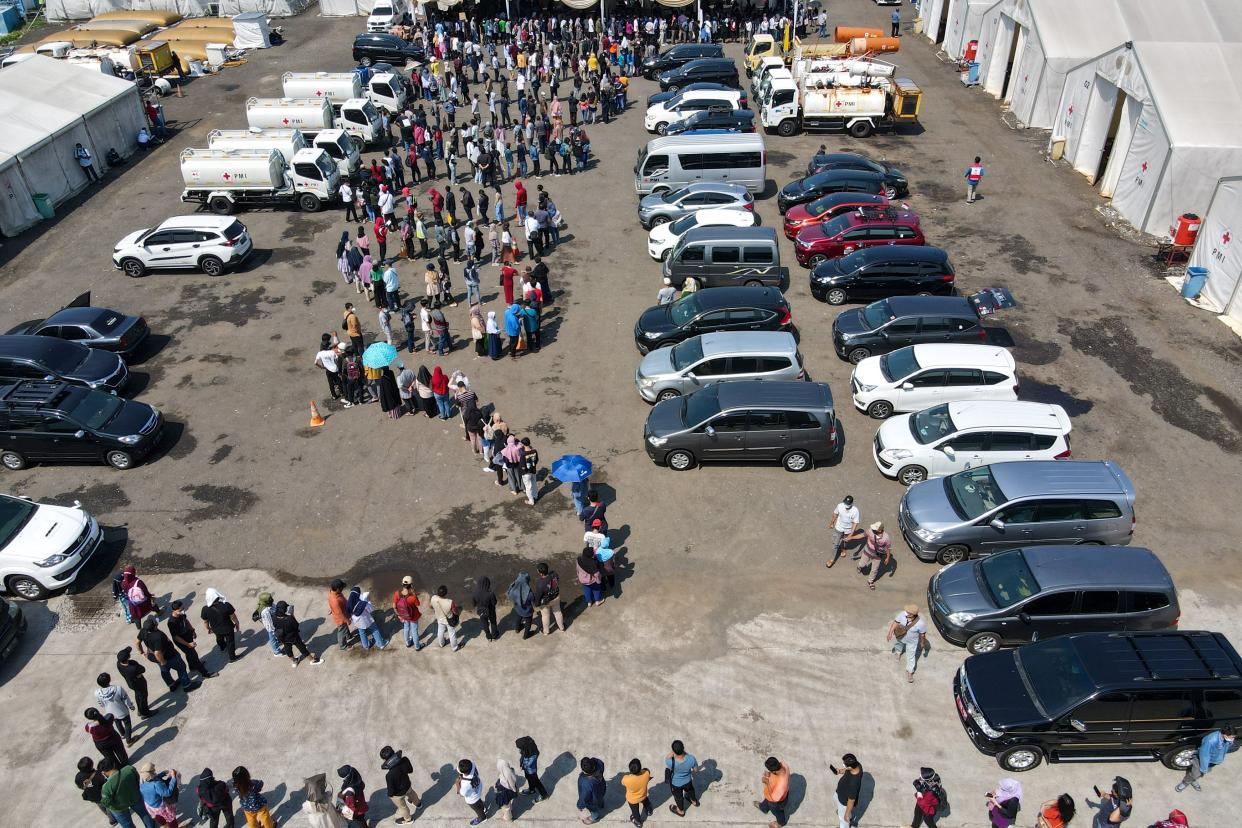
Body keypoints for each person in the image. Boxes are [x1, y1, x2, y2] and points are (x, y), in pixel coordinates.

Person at [137, 617, 192, 692]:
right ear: (154, 627)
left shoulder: (143, 631)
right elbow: (157, 652)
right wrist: (163, 662)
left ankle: (172, 685)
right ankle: (187, 685)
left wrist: (141, 652)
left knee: (165, 671)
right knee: (181, 668)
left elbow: (137, 642)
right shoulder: (158, 636)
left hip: (155, 658)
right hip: (169, 656)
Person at [99, 759, 157, 828]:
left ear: (103, 772)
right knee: (144, 814)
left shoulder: (106, 787)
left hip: (120, 807)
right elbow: (137, 779)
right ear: (114, 765)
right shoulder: (129, 769)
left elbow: (106, 802)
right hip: (135, 797)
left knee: (127, 824)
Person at [1177, 725, 1235, 791]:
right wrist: (1204, 768)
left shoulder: (1228, 739)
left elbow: (1225, 748)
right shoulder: (1210, 740)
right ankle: (1185, 783)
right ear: (1224, 735)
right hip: (1202, 760)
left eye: (1233, 737)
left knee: (1199, 774)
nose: (1232, 739)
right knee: (1195, 773)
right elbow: (1204, 755)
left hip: (1213, 761)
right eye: (1232, 737)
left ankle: (1193, 780)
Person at [380, 746, 422, 825]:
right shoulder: (405, 760)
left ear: (385, 760)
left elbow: (391, 790)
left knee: (402, 807)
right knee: (412, 794)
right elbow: (410, 770)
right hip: (407, 785)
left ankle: (408, 820)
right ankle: (418, 804)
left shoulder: (389, 775)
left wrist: (390, 795)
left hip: (398, 794)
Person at [273, 601, 322, 666]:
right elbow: (296, 625)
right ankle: (312, 660)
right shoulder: (289, 618)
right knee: (302, 647)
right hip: (293, 637)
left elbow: (275, 625)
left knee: (288, 649)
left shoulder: (274, 617)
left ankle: (294, 661)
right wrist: (292, 615)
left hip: (283, 638)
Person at [888, 604, 928, 682]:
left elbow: (922, 634)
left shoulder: (920, 623)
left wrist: (922, 643)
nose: (905, 612)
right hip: (900, 636)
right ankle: (898, 653)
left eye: (908, 611)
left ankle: (910, 671)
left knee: (911, 657)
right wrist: (890, 632)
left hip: (912, 642)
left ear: (912, 614)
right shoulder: (902, 614)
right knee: (898, 645)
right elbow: (896, 622)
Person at [200, 588, 239, 664]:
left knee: (219, 638)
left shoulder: (205, 609)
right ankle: (232, 657)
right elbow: (233, 616)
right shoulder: (226, 605)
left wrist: (208, 628)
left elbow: (205, 621)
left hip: (215, 629)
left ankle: (222, 647)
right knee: (230, 642)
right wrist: (237, 623)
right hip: (227, 628)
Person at [95, 673, 136, 746]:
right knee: (127, 724)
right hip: (122, 711)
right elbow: (126, 698)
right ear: (109, 680)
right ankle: (129, 740)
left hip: (110, 713)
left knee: (117, 722)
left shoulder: (97, 693)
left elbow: (100, 703)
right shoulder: (118, 688)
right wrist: (131, 706)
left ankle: (123, 734)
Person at [137, 762, 180, 828]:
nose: (155, 771)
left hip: (150, 805)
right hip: (160, 806)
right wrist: (173, 778)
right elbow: (167, 793)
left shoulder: (142, 782)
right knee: (171, 818)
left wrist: (164, 773)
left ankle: (165, 825)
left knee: (158, 816)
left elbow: (153, 777)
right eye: (153, 771)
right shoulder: (156, 784)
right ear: (151, 773)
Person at [752, 756, 790, 828]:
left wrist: (767, 783)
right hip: (771, 796)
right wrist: (770, 774)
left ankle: (781, 822)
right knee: (767, 801)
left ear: (774, 771)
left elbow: (774, 798)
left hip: (777, 802)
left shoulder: (781, 784)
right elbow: (776, 773)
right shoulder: (783, 764)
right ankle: (764, 808)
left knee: (778, 812)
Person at [77, 755, 116, 826]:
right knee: (109, 807)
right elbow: (106, 783)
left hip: (91, 796)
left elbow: (80, 786)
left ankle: (106, 813)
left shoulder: (78, 776)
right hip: (102, 795)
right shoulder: (99, 774)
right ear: (91, 765)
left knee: (100, 805)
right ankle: (112, 820)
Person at [664, 741, 699, 817]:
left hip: (676, 784)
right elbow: (696, 770)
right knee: (690, 791)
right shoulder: (691, 758)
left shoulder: (670, 762)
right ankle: (694, 802)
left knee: (679, 797)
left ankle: (681, 811)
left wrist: (673, 751)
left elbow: (667, 757)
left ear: (674, 751)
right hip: (688, 781)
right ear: (683, 748)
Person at [115, 648, 151, 719]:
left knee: (138, 695)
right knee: (143, 696)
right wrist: (138, 674)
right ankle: (145, 712)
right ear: (127, 658)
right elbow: (143, 669)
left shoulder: (119, 663)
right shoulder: (133, 667)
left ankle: (140, 710)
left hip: (131, 684)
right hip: (139, 684)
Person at [825, 495, 860, 567]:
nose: (846, 505)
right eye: (846, 503)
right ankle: (832, 559)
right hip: (839, 528)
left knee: (845, 541)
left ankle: (843, 549)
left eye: (848, 504)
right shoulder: (840, 506)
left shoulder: (855, 510)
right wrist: (832, 523)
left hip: (848, 530)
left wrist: (851, 534)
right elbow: (835, 514)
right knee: (835, 544)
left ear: (852, 503)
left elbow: (855, 523)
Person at [119, 565, 155, 630]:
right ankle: (159, 612)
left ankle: (139, 628)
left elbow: (126, 592)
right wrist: (150, 596)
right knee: (151, 605)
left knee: (136, 616)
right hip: (143, 601)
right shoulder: (138, 582)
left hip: (133, 603)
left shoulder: (123, 583)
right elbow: (145, 592)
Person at [858, 521, 892, 589]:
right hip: (868, 551)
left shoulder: (886, 538)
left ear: (880, 530)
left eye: (874, 529)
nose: (872, 529)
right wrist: (851, 537)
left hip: (878, 555)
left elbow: (888, 548)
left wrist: (888, 557)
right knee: (862, 564)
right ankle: (859, 567)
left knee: (874, 569)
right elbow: (862, 535)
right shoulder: (870, 531)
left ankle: (870, 581)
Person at [832, 754, 863, 828]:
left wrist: (846, 814)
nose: (843, 765)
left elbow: (851, 801)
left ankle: (846, 819)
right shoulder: (857, 765)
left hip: (844, 801)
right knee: (835, 799)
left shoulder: (853, 784)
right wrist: (839, 771)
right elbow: (847, 770)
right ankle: (848, 815)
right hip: (840, 792)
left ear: (850, 767)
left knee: (843, 820)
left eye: (844, 764)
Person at [393, 576, 423, 649]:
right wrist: (415, 595)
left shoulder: (397, 593)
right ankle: (417, 646)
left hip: (404, 615)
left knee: (406, 628)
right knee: (414, 631)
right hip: (413, 616)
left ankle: (407, 643)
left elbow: (394, 606)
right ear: (411, 585)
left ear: (402, 584)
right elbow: (418, 604)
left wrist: (398, 615)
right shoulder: (412, 597)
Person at [623, 758, 653, 826]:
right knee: (646, 802)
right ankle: (649, 811)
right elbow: (646, 771)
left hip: (632, 799)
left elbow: (622, 782)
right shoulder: (646, 774)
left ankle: (638, 822)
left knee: (635, 811)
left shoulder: (627, 779)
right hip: (643, 795)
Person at [456, 759, 488, 825]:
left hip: (472, 798)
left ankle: (482, 818)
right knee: (479, 801)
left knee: (476, 808)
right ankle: (483, 809)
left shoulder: (465, 784)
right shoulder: (472, 764)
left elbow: (461, 794)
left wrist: (457, 784)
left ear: (463, 772)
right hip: (478, 787)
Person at [506, 570, 537, 638]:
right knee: (528, 622)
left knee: (518, 618)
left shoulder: (513, 588)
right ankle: (526, 635)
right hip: (528, 612)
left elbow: (508, 593)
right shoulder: (529, 593)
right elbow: (534, 601)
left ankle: (517, 629)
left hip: (518, 609)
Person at [577, 757, 607, 824]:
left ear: (584, 771)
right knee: (600, 799)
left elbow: (584, 797)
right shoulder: (599, 764)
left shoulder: (585, 783)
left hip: (593, 801)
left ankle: (594, 818)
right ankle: (601, 805)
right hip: (602, 789)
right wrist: (592, 761)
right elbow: (599, 761)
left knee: (594, 810)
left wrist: (580, 805)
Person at [430, 585, 461, 650]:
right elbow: (455, 612)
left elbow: (430, 606)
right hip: (449, 620)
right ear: (446, 593)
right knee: (452, 634)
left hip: (439, 618)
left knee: (440, 631)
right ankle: (455, 647)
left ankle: (441, 644)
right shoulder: (450, 602)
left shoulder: (433, 598)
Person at [328, 578, 354, 650]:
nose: (342, 589)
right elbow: (340, 614)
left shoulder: (332, 592)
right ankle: (343, 646)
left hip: (343, 612)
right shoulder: (335, 601)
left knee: (345, 628)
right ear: (337, 589)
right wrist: (347, 620)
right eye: (341, 588)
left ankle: (348, 636)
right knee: (341, 632)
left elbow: (330, 602)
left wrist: (331, 608)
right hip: (340, 619)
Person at [519, 437, 540, 505]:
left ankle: (531, 501)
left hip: (526, 473)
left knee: (528, 487)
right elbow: (536, 460)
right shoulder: (534, 451)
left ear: (523, 444)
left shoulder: (523, 454)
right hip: (533, 470)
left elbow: (522, 466)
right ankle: (535, 496)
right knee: (534, 484)